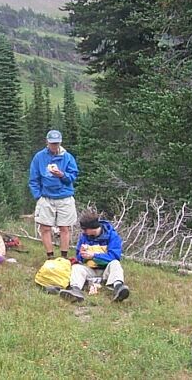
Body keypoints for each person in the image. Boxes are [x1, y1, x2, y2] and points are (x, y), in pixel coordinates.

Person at [57, 210, 130, 303]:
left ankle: (118, 288)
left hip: (106, 270)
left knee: (115, 264)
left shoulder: (112, 235)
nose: (83, 231)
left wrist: (93, 256)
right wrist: (82, 254)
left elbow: (114, 256)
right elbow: (78, 258)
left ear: (93, 227)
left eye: (85, 229)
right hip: (90, 269)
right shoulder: (84, 237)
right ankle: (75, 290)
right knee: (76, 267)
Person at [29, 130, 79, 259]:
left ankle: (64, 257)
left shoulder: (68, 157)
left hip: (65, 197)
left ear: (60, 143)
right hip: (46, 197)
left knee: (64, 228)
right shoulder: (39, 157)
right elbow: (33, 179)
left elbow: (72, 177)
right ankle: (50, 256)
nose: (54, 146)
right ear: (47, 142)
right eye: (52, 143)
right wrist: (38, 196)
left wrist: (62, 174)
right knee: (45, 228)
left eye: (56, 144)